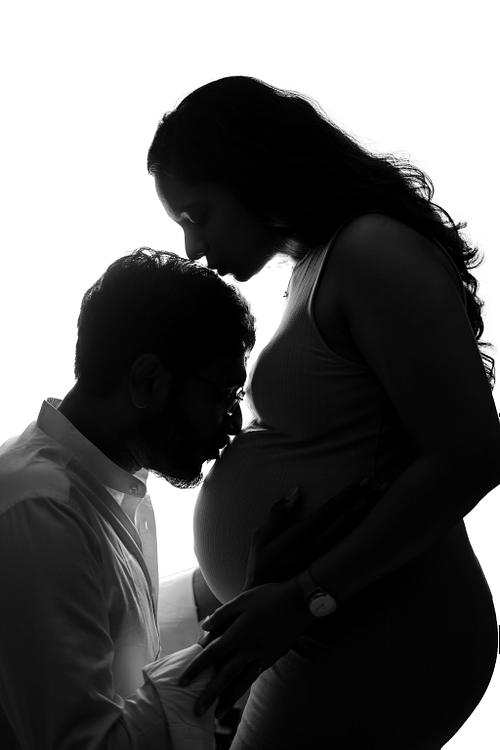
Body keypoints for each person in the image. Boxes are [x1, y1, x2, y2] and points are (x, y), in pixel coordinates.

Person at [147, 76, 500, 749]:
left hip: (378, 631)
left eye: (198, 214)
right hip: (323, 620)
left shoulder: (370, 251)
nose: (193, 249)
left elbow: (473, 455)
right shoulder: (318, 263)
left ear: (249, 172)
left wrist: (308, 593)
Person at [0, 247, 256, 750]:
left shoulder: (113, 486)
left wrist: (223, 600)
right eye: (223, 396)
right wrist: (240, 644)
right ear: (148, 381)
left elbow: (122, 675)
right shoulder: (40, 511)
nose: (234, 423)